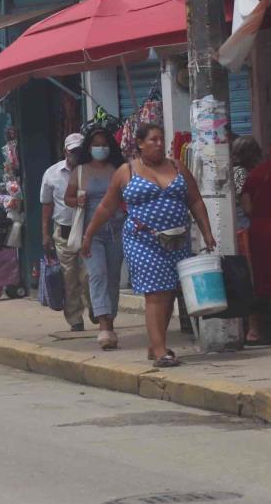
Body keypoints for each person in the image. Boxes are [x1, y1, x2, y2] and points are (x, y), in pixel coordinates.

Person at [82, 123, 216, 367]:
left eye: (160, 139)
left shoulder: (177, 167)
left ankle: (156, 345)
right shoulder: (127, 171)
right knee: (156, 293)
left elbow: (195, 200)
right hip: (142, 241)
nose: (158, 143)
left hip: (177, 239)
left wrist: (207, 232)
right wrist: (88, 235)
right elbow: (106, 206)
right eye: (153, 139)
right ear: (140, 143)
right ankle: (160, 349)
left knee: (170, 292)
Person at [66, 128, 126, 349]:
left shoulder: (118, 169)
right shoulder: (80, 171)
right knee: (97, 274)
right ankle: (103, 326)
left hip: (117, 229)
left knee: (112, 277)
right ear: (88, 148)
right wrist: (78, 201)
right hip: (91, 232)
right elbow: (68, 198)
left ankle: (109, 321)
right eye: (96, 144)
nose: (100, 148)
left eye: (104, 144)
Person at [39, 133, 89, 332]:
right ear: (65, 151)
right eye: (73, 151)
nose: (76, 154)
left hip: (87, 230)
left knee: (89, 276)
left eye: (79, 150)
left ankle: (97, 309)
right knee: (69, 278)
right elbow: (46, 205)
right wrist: (45, 234)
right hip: (64, 231)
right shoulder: (52, 174)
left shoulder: (91, 172)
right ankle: (75, 319)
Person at [239, 145, 271, 344]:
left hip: (260, 231)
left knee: (261, 279)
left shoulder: (256, 174)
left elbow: (247, 206)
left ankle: (256, 330)